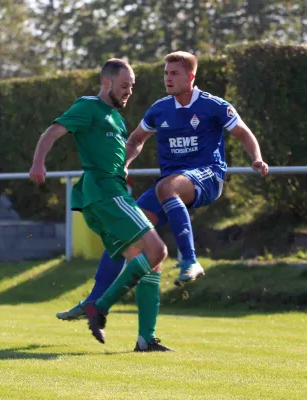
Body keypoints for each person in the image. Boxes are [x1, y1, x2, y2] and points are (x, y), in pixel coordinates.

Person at [56, 51, 269, 328]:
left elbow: (243, 132)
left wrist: (256, 157)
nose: (168, 78)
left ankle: (190, 260)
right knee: (126, 233)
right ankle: (98, 304)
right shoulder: (160, 108)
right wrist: (124, 164)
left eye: (174, 73)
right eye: (166, 73)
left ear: (190, 77)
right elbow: (135, 140)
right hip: (170, 184)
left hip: (207, 176)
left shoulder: (213, 105)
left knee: (169, 187)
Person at [29, 58, 171, 351]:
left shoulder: (116, 118)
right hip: (105, 193)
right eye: (124, 85)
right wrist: (38, 163)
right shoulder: (87, 107)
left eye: (132, 86)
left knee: (148, 263)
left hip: (113, 190)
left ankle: (146, 339)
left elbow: (116, 151)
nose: (129, 91)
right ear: (106, 82)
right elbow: (52, 132)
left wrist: (124, 166)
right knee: (158, 250)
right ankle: (98, 306)